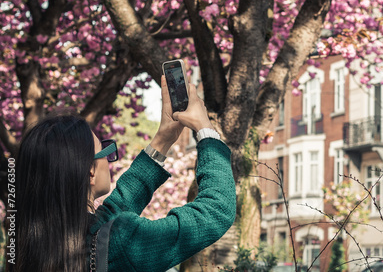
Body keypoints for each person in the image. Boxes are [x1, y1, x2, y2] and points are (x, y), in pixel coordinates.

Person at [15, 75, 236, 272]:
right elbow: (216, 210)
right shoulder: (123, 243)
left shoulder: (27, 245)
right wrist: (205, 129)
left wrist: (163, 139)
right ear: (90, 171)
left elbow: (108, 217)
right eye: (105, 150)